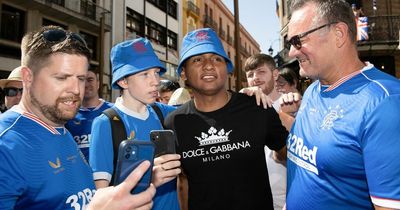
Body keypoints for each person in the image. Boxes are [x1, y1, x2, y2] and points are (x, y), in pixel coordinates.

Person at [0, 25, 156, 209]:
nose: (76, 90)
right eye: (61, 78)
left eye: (81, 79)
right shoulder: (6, 145)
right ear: (28, 77)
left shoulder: (60, 128)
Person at [283, 0, 400, 209]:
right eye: (289, 43)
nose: (292, 52)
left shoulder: (385, 103)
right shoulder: (312, 90)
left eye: (298, 40)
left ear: (338, 34)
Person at [164, 28, 288, 210]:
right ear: (183, 73)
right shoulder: (174, 122)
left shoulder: (257, 107)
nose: (208, 65)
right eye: (197, 59)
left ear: (227, 69)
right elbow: (183, 181)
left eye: (216, 59)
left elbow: (290, 156)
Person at [89, 38, 181, 210]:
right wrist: (148, 180)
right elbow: (102, 198)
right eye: (144, 74)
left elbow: (202, 108)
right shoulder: (105, 124)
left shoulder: (164, 112)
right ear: (123, 81)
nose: (155, 81)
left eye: (156, 72)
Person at [243, 53, 286, 210]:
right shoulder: (243, 108)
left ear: (275, 74)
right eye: (250, 74)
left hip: (285, 197)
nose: (255, 78)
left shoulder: (290, 104)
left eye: (261, 72)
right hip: (253, 197)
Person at [65, 69, 113, 161]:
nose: (86, 84)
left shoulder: (114, 111)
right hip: (79, 173)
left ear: (98, 84)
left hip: (108, 173)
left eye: (90, 80)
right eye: (82, 80)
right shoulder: (68, 113)